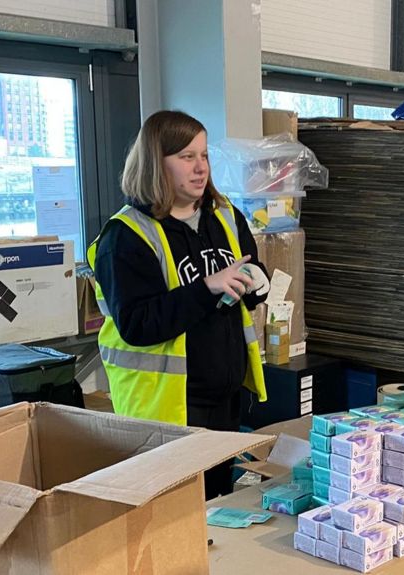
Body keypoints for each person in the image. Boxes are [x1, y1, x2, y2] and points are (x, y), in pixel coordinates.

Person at [88, 110, 268, 499]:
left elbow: (248, 269)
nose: (200, 168)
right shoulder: (125, 236)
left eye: (204, 156)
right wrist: (206, 288)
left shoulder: (224, 216)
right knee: (177, 517)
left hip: (224, 399)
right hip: (165, 410)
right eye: (186, 157)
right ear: (156, 163)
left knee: (219, 510)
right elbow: (137, 325)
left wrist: (256, 284)